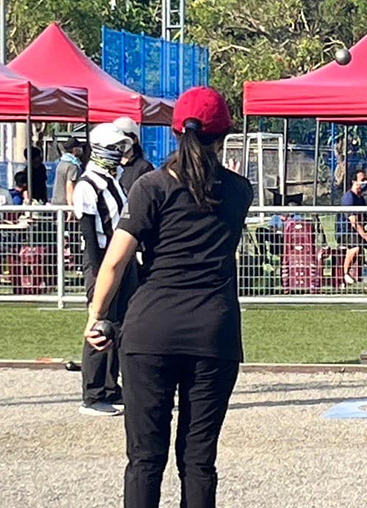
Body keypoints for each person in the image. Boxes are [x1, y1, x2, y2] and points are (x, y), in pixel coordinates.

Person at [83, 86, 252, 507]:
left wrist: (96, 315)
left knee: (145, 459)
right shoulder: (239, 191)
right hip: (214, 332)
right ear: (224, 136)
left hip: (150, 331)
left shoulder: (151, 187)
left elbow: (114, 262)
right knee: (198, 462)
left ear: (176, 131)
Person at [73, 123, 138, 417]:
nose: (120, 154)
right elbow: (90, 236)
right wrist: (100, 276)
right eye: (115, 149)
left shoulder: (113, 181)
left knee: (121, 324)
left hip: (122, 262)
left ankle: (112, 387)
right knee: (99, 325)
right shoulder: (87, 185)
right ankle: (93, 393)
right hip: (101, 262)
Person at [336, 169, 367, 284]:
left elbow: (363, 221)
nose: (365, 182)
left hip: (359, 234)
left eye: (366, 180)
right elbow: (355, 223)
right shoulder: (348, 198)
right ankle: (345, 274)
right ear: (354, 182)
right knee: (356, 247)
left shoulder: (361, 199)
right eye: (362, 180)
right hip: (345, 234)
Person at [113, 116, 155, 194]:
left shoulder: (144, 167)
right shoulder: (110, 165)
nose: (119, 143)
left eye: (124, 138)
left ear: (135, 139)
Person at [51, 138, 84, 206]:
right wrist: (70, 206)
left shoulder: (61, 163)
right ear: (74, 149)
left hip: (56, 201)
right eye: (79, 147)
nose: (80, 149)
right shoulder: (73, 166)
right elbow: (70, 185)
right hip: (65, 204)